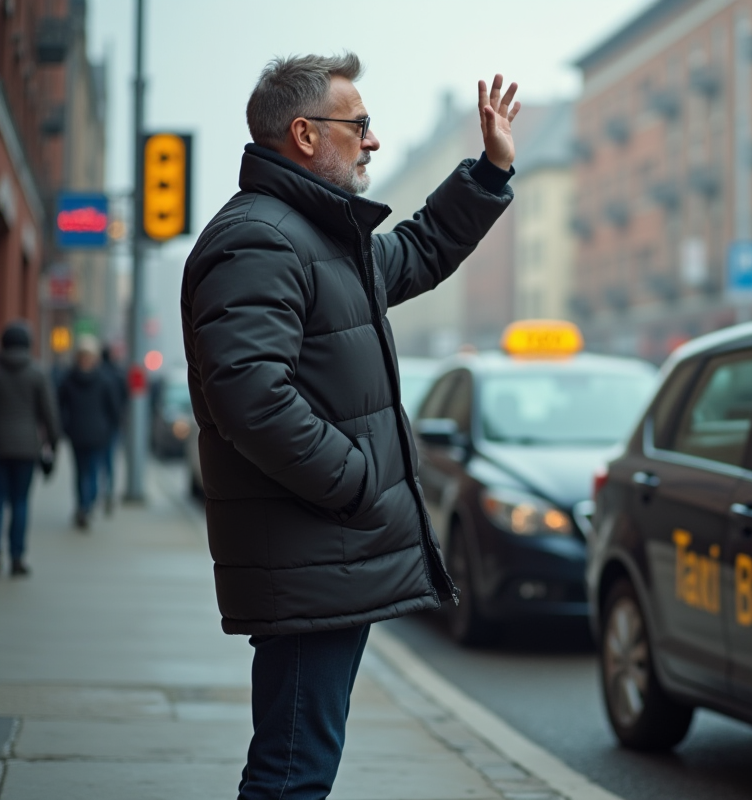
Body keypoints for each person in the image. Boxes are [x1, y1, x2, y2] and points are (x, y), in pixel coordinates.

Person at [180, 53, 518, 800]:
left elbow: (420, 250)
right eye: (358, 124)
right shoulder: (261, 239)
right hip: (313, 553)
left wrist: (488, 174)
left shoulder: (314, 236)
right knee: (291, 775)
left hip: (320, 552)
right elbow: (251, 398)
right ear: (304, 135)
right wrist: (356, 482)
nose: (372, 140)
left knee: (297, 764)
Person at [0, 321, 60, 576]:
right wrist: (52, 446)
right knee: (20, 502)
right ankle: (17, 557)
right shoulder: (37, 373)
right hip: (26, 448)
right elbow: (49, 414)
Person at [56, 334, 121, 529]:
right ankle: (87, 505)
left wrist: (65, 427)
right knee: (91, 470)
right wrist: (111, 429)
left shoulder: (68, 378)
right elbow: (114, 408)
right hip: (97, 433)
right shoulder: (104, 379)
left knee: (81, 471)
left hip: (77, 432)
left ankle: (83, 505)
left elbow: (59, 405)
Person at [98, 346, 128, 515]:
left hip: (98, 426)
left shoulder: (98, 374)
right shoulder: (118, 374)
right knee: (109, 461)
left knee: (97, 461)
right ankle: (108, 492)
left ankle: (95, 494)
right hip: (112, 425)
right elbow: (124, 399)